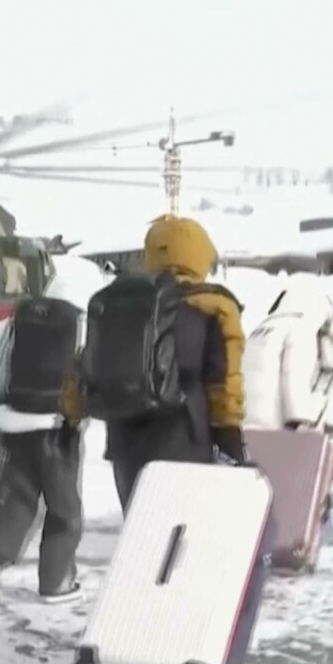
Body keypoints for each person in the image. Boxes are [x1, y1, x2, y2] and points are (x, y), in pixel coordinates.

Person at [0, 280, 90, 607]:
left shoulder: (20, 322)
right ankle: (58, 583)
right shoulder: (81, 324)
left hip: (14, 421)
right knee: (64, 511)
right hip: (56, 430)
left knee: (21, 502)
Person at [103, 215, 248, 512]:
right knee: (184, 537)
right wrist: (230, 438)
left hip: (124, 444)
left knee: (141, 538)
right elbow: (224, 382)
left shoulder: (121, 303)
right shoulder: (215, 306)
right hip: (186, 440)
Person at [243, 275, 333, 433]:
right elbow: (294, 377)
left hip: (244, 424)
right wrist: (302, 420)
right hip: (274, 428)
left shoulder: (260, 330)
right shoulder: (301, 329)